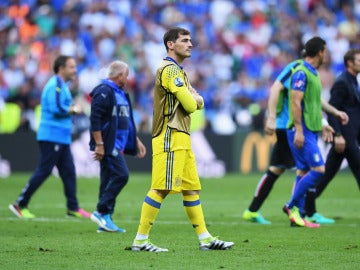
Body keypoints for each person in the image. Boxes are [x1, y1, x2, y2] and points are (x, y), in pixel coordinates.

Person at [131, 27, 234, 252]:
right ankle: (140, 239)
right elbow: (190, 104)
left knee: (190, 189)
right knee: (161, 188)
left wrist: (196, 99)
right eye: (185, 40)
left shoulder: (180, 71)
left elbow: (200, 101)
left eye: (190, 40)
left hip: (182, 136)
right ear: (171, 44)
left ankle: (205, 238)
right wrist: (195, 99)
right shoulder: (168, 70)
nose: (190, 44)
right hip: (169, 134)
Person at [243, 55, 348, 225]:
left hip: (291, 125)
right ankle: (300, 211)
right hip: (288, 125)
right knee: (306, 168)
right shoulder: (296, 68)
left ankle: (254, 210)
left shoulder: (308, 71)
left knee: (281, 169)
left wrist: (324, 120)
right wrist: (271, 117)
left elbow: (311, 101)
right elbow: (276, 87)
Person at [9, 55, 90, 219]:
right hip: (52, 135)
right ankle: (20, 204)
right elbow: (57, 108)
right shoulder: (56, 85)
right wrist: (74, 109)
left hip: (61, 136)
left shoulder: (62, 86)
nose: (75, 70)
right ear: (61, 68)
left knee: (68, 171)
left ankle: (72, 207)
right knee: (44, 170)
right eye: (72, 67)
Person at [282, 37, 347, 227]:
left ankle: (298, 216)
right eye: (325, 51)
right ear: (320, 52)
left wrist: (330, 117)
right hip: (301, 129)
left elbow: (314, 102)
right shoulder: (301, 72)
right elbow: (295, 102)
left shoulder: (313, 73)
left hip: (310, 128)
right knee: (318, 170)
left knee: (302, 171)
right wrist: (299, 131)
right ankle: (291, 205)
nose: (326, 54)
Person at [89, 60, 146, 233]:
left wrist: (135, 140)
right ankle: (101, 211)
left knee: (107, 180)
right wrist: (99, 144)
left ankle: (105, 221)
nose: (128, 79)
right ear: (120, 74)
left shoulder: (120, 93)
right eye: (127, 75)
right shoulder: (104, 91)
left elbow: (126, 121)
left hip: (119, 144)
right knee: (121, 175)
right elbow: (95, 119)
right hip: (108, 144)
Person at [303, 48, 360, 223]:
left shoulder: (353, 81)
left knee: (325, 175)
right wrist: (339, 135)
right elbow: (334, 109)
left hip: (350, 137)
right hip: (345, 138)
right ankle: (302, 206)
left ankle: (304, 206)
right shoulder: (342, 82)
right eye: (359, 60)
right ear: (349, 62)